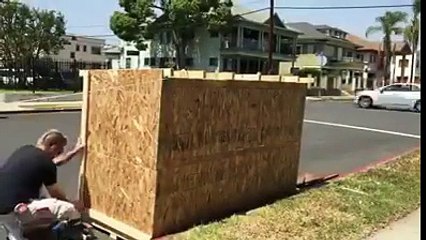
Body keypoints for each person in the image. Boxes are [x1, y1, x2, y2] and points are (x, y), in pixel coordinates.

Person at [0, 129, 85, 222]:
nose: (57, 156)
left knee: (18, 235)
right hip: (19, 209)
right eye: (59, 152)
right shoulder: (45, 162)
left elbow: (52, 163)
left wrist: (73, 153)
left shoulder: (25, 150)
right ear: (53, 146)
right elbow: (55, 194)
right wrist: (73, 204)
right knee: (69, 209)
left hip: (3, 211)